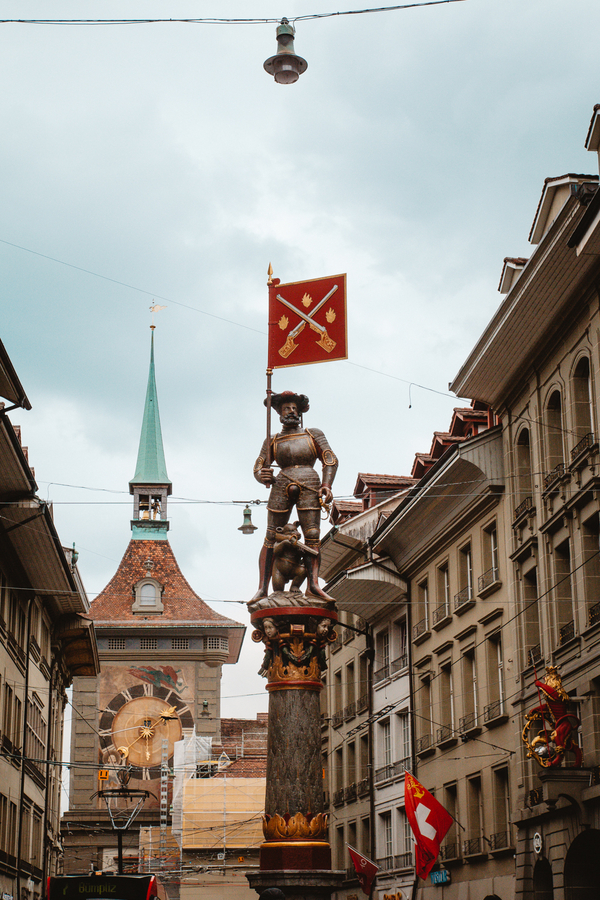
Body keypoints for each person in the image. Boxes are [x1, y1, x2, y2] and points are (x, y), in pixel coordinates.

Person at [251, 391, 338, 602]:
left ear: (299, 412)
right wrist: (262, 475)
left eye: (293, 408)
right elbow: (258, 465)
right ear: (279, 413)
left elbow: (330, 459)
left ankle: (313, 585)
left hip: (309, 481)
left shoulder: (312, 434)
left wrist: (326, 484)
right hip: (281, 482)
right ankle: (263, 588)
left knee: (312, 534)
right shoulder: (272, 440)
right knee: (271, 535)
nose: (290, 411)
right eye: (286, 408)